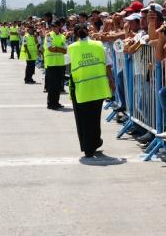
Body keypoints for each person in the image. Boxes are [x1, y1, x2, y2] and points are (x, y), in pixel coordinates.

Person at [67, 23, 115, 157]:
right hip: (98, 87)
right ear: (88, 32)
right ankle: (95, 142)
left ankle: (88, 147)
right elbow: (108, 64)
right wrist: (111, 81)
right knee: (95, 117)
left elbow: (66, 62)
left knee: (83, 119)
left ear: (75, 34)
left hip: (81, 88)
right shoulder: (98, 45)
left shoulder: (71, 48)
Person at [44, 20, 67, 109]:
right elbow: (50, 48)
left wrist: (56, 48)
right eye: (52, 26)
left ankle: (56, 102)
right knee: (52, 85)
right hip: (51, 63)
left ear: (59, 27)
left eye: (55, 26)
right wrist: (59, 48)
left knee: (58, 85)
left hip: (60, 63)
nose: (53, 28)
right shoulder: (49, 36)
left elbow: (65, 50)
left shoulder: (62, 37)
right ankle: (50, 103)